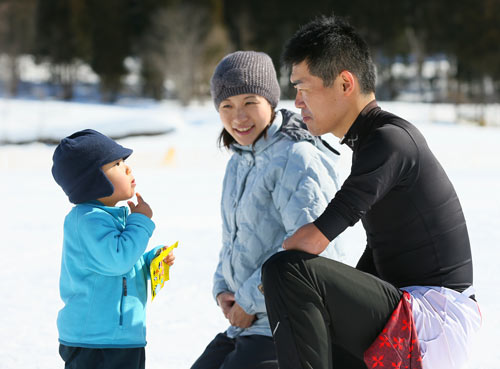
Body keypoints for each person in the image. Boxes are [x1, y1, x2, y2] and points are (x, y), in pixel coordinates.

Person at [261, 15, 481, 369]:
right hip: (411, 312)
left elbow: (312, 241)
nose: (297, 103)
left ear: (345, 83)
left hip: (436, 320)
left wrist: (278, 281)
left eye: (303, 88)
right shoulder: (372, 141)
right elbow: (379, 254)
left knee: (286, 271)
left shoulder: (389, 140)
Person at [190, 51, 345, 369]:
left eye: (250, 102)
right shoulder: (239, 161)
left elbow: (313, 253)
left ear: (270, 100)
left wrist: (248, 299)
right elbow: (234, 239)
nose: (238, 117)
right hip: (246, 324)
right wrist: (223, 288)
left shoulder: (296, 157)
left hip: (288, 324)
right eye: (226, 106)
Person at [51, 129, 175, 369]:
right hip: (96, 341)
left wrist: (151, 260)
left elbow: (122, 266)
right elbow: (118, 260)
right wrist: (140, 222)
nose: (128, 168)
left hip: (120, 337)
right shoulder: (87, 220)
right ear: (93, 180)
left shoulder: (108, 218)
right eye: (117, 164)